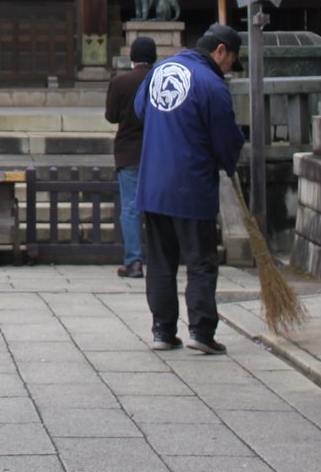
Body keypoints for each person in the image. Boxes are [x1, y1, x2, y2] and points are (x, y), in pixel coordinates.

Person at [134, 22, 246, 355]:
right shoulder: (211, 83)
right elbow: (225, 135)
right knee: (200, 261)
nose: (228, 69)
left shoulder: (159, 72)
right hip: (191, 184)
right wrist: (229, 162)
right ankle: (201, 330)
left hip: (153, 183)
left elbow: (141, 111)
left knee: (160, 262)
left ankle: (163, 330)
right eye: (230, 62)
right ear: (220, 51)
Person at [105, 35, 156, 278]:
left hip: (129, 152)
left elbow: (111, 116)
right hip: (159, 151)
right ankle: (162, 257)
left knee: (131, 207)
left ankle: (134, 261)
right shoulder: (160, 80)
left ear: (132, 58)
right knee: (160, 206)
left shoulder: (121, 82)